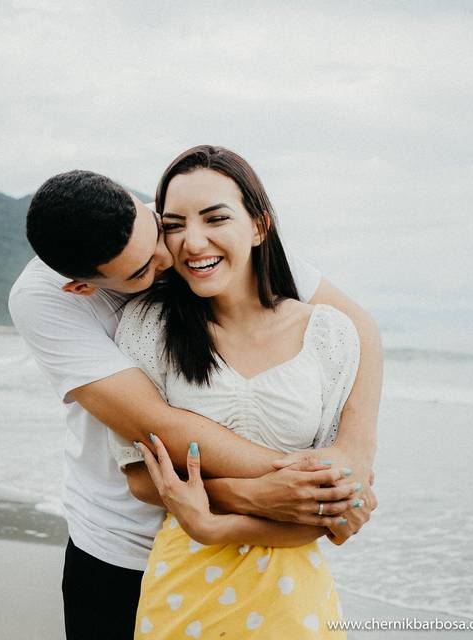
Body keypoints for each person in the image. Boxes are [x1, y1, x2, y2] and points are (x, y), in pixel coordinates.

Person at [8, 165, 380, 639]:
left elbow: (357, 327)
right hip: (123, 543)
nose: (172, 255)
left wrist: (350, 460)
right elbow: (156, 425)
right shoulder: (43, 301)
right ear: (83, 286)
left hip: (262, 546)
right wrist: (304, 486)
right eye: (143, 269)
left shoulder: (188, 226)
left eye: (158, 231)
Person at [110, 145, 369, 637]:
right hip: (185, 583)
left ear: (258, 224)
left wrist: (215, 522)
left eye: (215, 218)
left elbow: (336, 509)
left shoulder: (329, 333)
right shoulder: (149, 325)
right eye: (174, 225)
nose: (193, 241)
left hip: (294, 592)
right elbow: (143, 478)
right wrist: (257, 498)